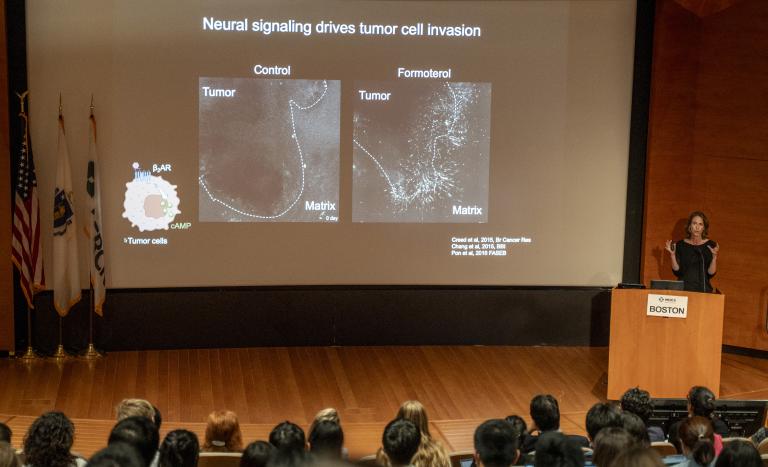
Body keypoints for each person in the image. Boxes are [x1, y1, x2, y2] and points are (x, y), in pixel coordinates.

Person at [665, 211, 719, 292]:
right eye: (694, 223)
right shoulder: (680, 245)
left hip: (703, 290)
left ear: (704, 228)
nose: (697, 227)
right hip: (684, 290)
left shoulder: (710, 245)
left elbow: (711, 273)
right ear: (689, 226)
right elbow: (677, 272)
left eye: (700, 224)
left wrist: (714, 258)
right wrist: (672, 255)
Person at [522, 395, 589, 453]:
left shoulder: (527, 444)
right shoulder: (582, 442)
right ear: (558, 416)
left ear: (534, 421)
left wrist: (530, 429)